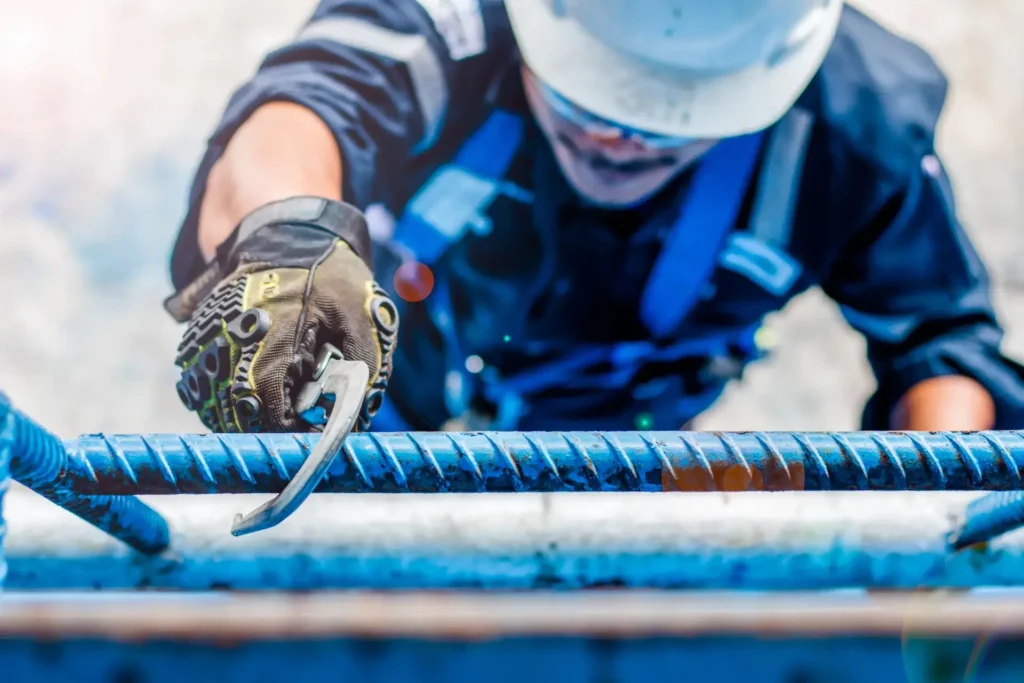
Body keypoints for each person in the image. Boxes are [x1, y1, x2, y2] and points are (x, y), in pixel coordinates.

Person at [164, 0, 1024, 436]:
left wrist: (929, 547)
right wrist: (287, 255)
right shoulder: (446, 27)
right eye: (589, 96)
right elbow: (293, 117)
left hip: (636, 460)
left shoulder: (855, 121)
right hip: (366, 427)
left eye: (665, 117)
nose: (614, 134)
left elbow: (942, 352)